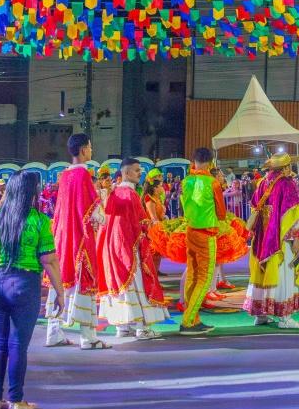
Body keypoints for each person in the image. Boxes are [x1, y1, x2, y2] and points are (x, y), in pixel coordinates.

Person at [0, 170, 55, 409]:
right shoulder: (39, 221)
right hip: (25, 284)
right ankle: (16, 401)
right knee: (18, 345)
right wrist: (61, 292)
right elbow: (49, 261)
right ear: (31, 191)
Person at [97, 158, 168, 340]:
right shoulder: (130, 194)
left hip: (112, 247)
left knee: (121, 286)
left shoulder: (115, 193)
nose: (140, 173)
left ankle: (122, 327)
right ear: (126, 173)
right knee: (138, 283)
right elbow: (142, 223)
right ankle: (141, 328)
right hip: (130, 247)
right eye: (137, 170)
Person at [51, 133, 107, 349]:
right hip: (81, 239)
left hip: (63, 237)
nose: (91, 151)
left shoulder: (64, 175)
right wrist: (103, 217)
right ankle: (88, 337)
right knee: (85, 280)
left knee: (61, 280)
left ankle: (53, 332)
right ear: (83, 150)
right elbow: (91, 210)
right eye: (90, 148)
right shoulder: (84, 175)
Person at [244, 153, 299, 329]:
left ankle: (261, 314)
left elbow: (255, 206)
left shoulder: (262, 184)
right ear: (286, 168)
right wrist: (297, 237)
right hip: (281, 241)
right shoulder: (287, 184)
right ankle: (285, 317)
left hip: (263, 239)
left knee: (263, 273)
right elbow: (295, 212)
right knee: (285, 274)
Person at [178, 148, 224, 335]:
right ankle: (188, 321)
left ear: (193, 160)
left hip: (190, 232)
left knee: (193, 276)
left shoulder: (185, 181)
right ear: (211, 162)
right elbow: (221, 212)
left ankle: (193, 318)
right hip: (206, 234)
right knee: (204, 279)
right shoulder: (212, 183)